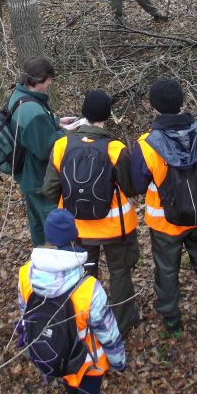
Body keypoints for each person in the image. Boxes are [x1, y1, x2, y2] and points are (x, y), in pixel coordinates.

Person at [18, 209, 126, 394]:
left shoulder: (25, 274)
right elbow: (107, 332)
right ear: (74, 237)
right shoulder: (88, 288)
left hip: (50, 349)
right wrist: (119, 360)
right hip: (86, 360)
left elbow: (26, 313)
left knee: (69, 379)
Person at [131, 78, 197, 338]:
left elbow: (138, 184)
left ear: (153, 108)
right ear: (183, 102)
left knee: (167, 270)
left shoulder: (147, 144)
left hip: (165, 223)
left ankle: (172, 321)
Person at [42, 89, 140, 337]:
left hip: (77, 229)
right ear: (107, 116)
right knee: (120, 274)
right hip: (115, 228)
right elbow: (131, 188)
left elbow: (49, 189)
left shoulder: (62, 145)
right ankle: (121, 323)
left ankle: (84, 318)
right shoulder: (115, 148)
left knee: (85, 274)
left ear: (83, 114)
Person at [7, 58, 75, 247]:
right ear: (38, 81)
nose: (50, 82)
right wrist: (66, 131)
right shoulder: (32, 111)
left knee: (37, 226)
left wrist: (56, 122)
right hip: (40, 180)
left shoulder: (19, 96)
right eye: (48, 79)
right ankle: (56, 264)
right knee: (52, 229)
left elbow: (31, 131)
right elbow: (46, 149)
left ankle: (40, 259)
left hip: (29, 177)